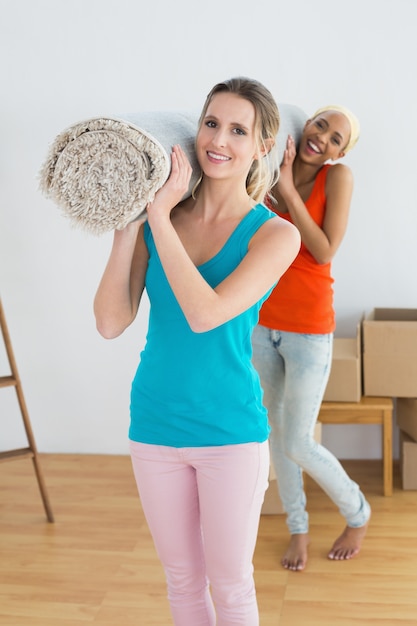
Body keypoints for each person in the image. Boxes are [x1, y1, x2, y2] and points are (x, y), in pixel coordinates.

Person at [93, 77, 300, 625]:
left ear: (261, 147)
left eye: (238, 130)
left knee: (231, 585)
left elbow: (205, 314)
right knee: (182, 583)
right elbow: (111, 323)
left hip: (229, 433)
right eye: (211, 123)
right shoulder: (158, 219)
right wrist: (127, 229)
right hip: (154, 425)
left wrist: (158, 219)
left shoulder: (274, 235)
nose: (219, 140)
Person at [252, 104, 371, 572]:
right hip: (261, 325)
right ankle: (298, 529)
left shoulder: (337, 179)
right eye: (322, 123)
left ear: (341, 151)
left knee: (299, 440)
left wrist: (286, 190)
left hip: (309, 331)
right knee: (278, 436)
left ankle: (357, 513)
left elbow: (322, 251)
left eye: (337, 137)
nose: (324, 136)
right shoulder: (266, 170)